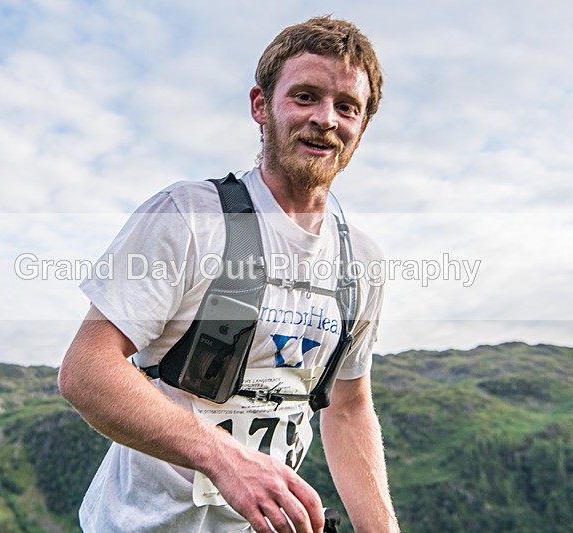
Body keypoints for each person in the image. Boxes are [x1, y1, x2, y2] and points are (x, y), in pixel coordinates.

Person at [59, 16, 399, 533]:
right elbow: (87, 369)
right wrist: (225, 458)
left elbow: (349, 410)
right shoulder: (188, 217)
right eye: (305, 96)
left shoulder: (363, 263)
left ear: (362, 126)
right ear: (261, 106)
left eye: (346, 106)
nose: (326, 119)